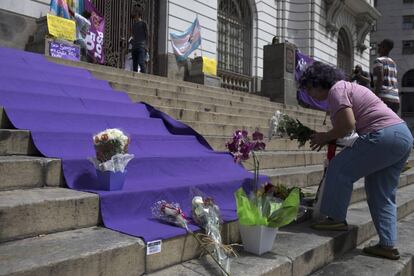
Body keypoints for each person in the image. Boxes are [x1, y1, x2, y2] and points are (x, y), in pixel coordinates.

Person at [299, 62, 413, 260]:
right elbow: (350, 128)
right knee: (380, 191)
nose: (309, 95)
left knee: (339, 168)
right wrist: (330, 137)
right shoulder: (348, 87)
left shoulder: (337, 89)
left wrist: (325, 137)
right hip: (402, 135)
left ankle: (335, 218)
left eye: (309, 88)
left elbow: (347, 125)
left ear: (318, 82)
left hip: (383, 135)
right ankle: (387, 245)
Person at [373, 39, 400, 114]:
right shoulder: (393, 63)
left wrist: (375, 97)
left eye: (380, 46)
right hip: (395, 99)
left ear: (384, 48)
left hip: (384, 98)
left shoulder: (378, 61)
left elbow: (380, 79)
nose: (378, 48)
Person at [131, 9, 148, 73]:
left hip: (141, 46)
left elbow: (147, 35)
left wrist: (146, 46)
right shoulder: (134, 25)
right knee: (134, 65)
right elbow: (133, 36)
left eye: (135, 16)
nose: (134, 18)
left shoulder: (143, 23)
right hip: (134, 47)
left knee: (141, 63)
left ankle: (145, 79)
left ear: (139, 15)